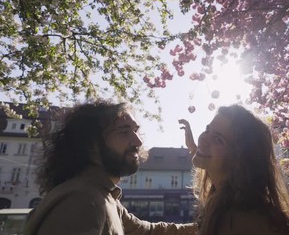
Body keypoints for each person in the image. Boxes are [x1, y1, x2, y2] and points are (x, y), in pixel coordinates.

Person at [24, 100, 196, 235]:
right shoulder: (83, 200)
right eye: (124, 131)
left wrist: (208, 226)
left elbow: (149, 231)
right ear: (90, 144)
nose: (138, 141)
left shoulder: (103, 196)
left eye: (136, 130)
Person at [179, 104, 289, 235]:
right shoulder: (237, 205)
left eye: (218, 139)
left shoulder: (243, 220)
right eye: (207, 130)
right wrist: (195, 149)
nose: (203, 139)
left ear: (240, 160)